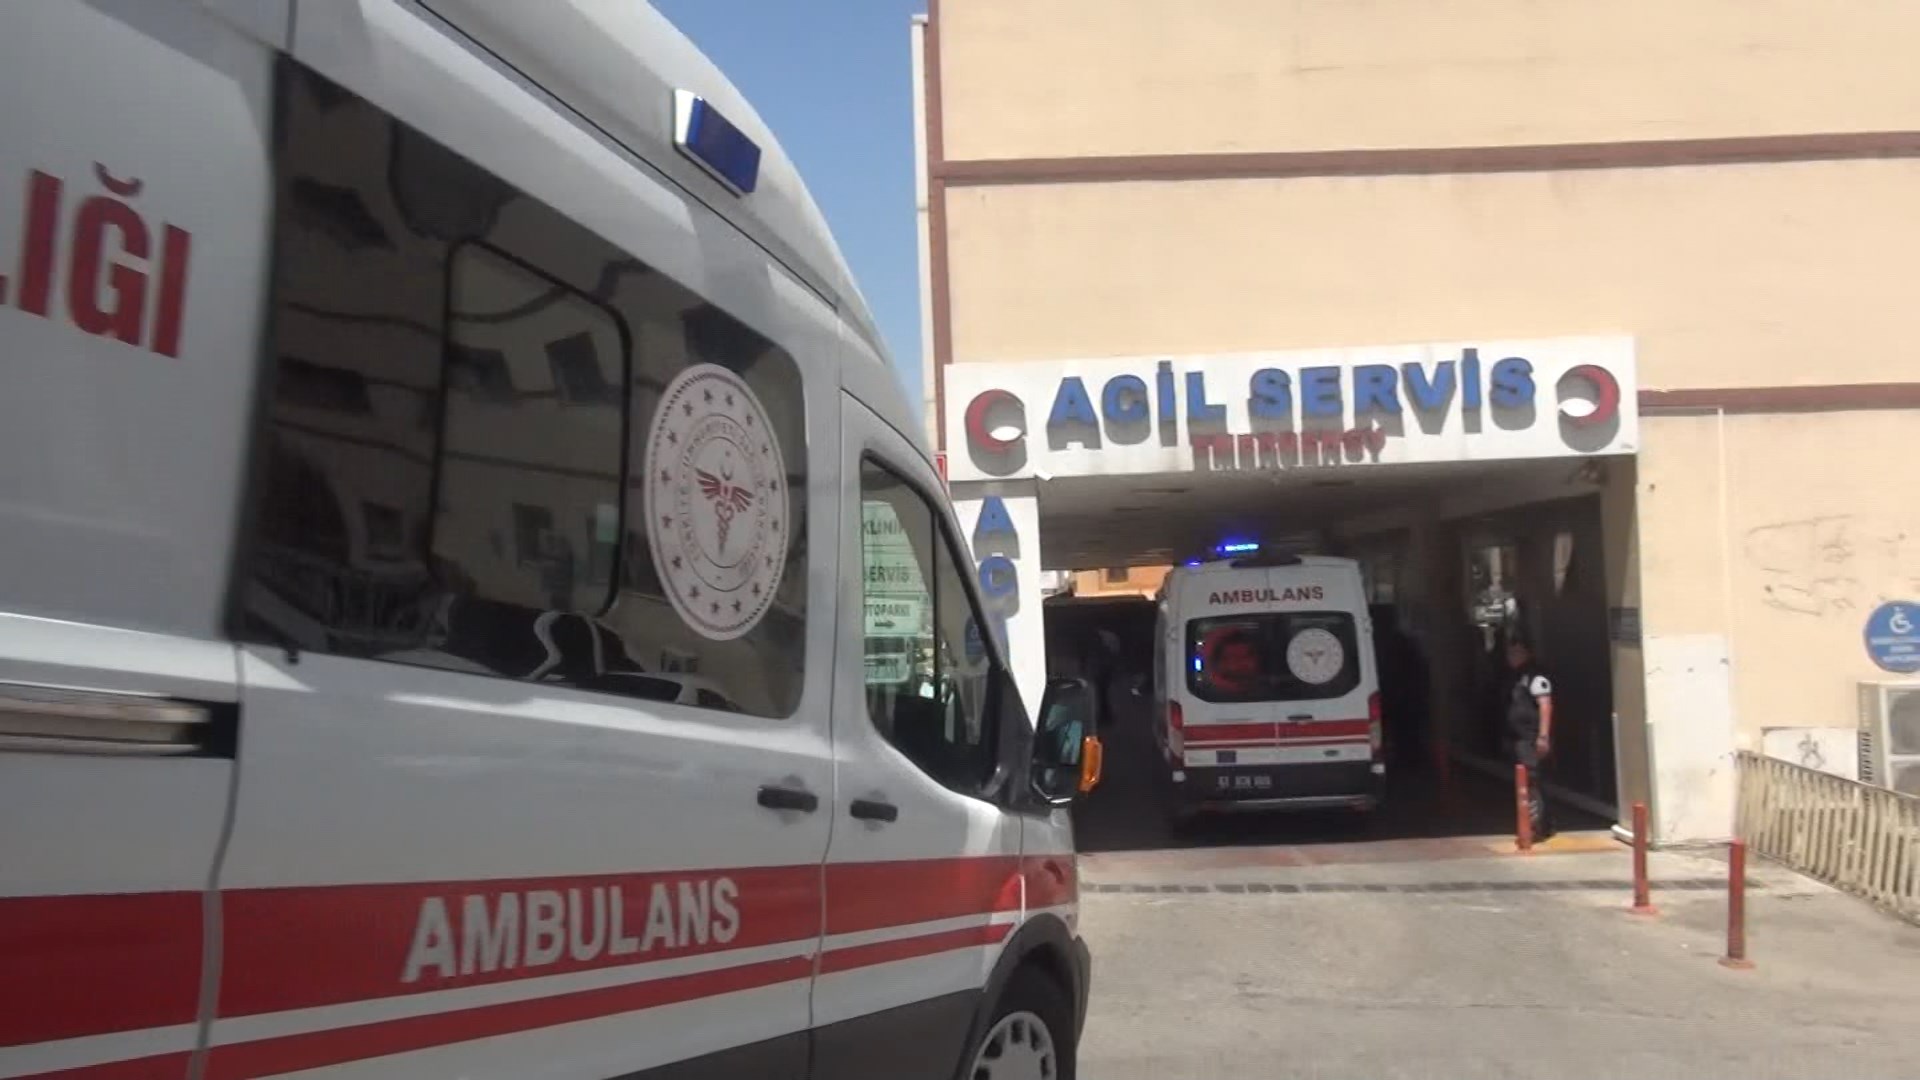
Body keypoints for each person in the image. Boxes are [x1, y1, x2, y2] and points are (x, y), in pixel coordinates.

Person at [1505, 637, 1556, 840]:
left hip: (1531, 738)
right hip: (1519, 738)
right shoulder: (1515, 676)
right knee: (1525, 781)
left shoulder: (1535, 676)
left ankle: (1537, 827)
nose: (1512, 657)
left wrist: (1543, 736)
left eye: (1517, 653)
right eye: (1510, 653)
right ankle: (1534, 824)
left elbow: (1545, 705)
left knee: (1533, 781)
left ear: (1527, 654)